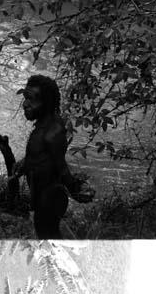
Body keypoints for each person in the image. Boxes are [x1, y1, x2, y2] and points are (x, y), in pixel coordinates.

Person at [12, 75, 95, 239]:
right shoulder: (43, 127)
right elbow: (42, 156)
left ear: (46, 103)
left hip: (51, 198)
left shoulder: (53, 132)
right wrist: (24, 164)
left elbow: (61, 167)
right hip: (40, 194)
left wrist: (76, 189)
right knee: (45, 234)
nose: (25, 104)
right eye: (25, 98)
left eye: (32, 100)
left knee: (48, 237)